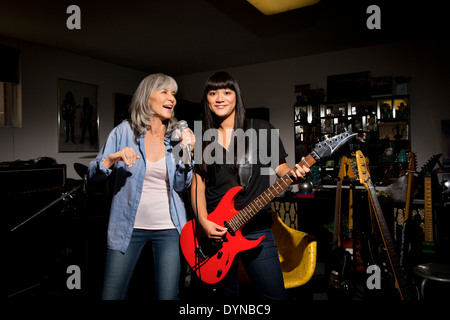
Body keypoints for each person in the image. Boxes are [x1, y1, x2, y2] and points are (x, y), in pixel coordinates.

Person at [190, 71, 310, 300]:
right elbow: (198, 185)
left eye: (227, 91)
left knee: (274, 296)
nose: (220, 98)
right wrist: (204, 222)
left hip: (256, 227)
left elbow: (281, 168)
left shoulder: (261, 129)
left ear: (237, 96)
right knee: (224, 296)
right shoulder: (201, 137)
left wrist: (294, 173)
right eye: (213, 93)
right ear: (206, 99)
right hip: (216, 231)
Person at [87, 73, 194, 300]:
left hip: (169, 229)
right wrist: (111, 159)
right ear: (147, 98)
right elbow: (92, 176)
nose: (171, 98)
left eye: (173, 93)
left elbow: (181, 185)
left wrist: (186, 152)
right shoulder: (124, 132)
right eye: (164, 92)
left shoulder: (175, 138)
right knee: (111, 295)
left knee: (168, 295)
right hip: (127, 227)